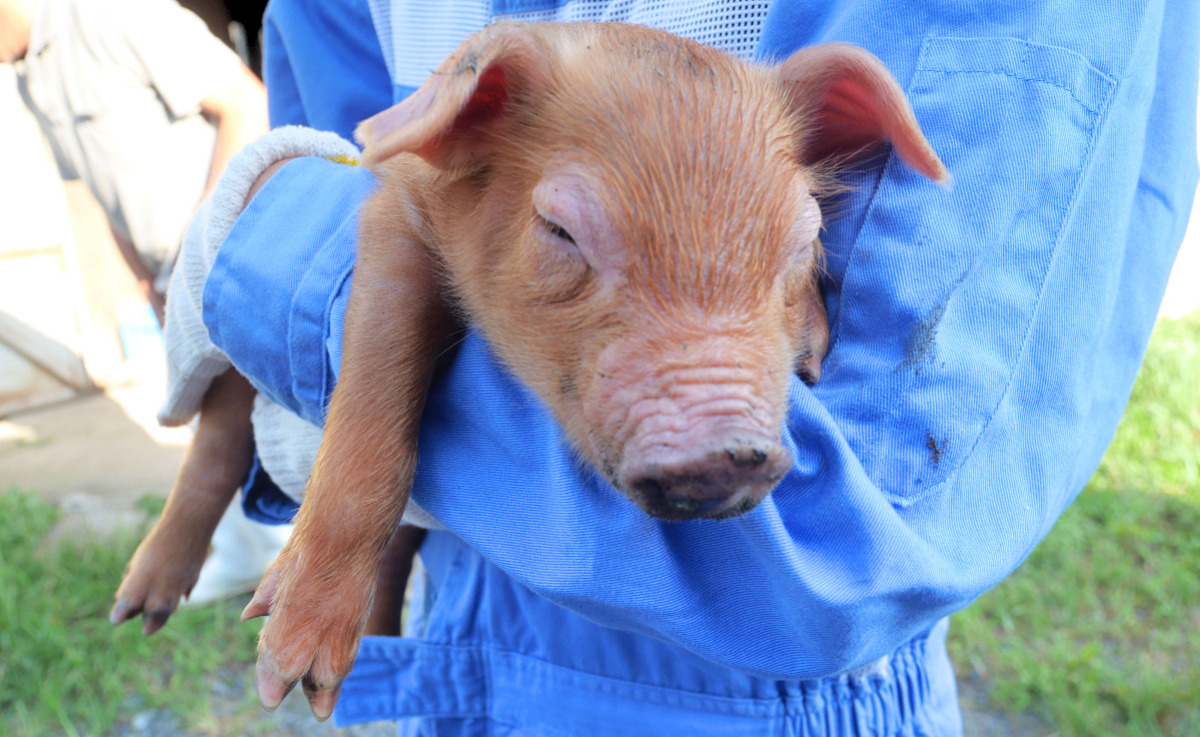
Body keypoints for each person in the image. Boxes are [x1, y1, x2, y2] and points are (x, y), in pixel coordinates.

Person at [162, 0, 1199, 734]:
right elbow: (383, 181)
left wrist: (278, 252)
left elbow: (849, 533)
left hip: (742, 701)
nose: (708, 393)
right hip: (452, 634)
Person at [0, 0, 289, 607]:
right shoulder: (29, 71)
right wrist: (148, 285)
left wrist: (208, 238)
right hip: (171, 273)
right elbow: (96, 188)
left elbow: (244, 101)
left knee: (250, 419)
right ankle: (244, 556)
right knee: (199, 410)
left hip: (235, 252)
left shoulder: (110, 15)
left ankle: (292, 566)